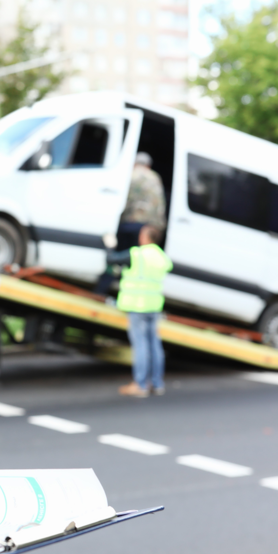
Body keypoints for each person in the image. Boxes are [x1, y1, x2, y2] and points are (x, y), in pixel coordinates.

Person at [108, 225, 172, 397]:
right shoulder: (161, 256)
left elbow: (112, 259)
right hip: (154, 305)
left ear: (145, 237)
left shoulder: (137, 254)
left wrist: (109, 244)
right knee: (154, 345)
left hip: (138, 305)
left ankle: (141, 385)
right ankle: (157, 384)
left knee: (141, 346)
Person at [115, 152, 167, 251]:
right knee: (137, 254)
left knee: (121, 252)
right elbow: (160, 205)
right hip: (145, 228)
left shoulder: (129, 174)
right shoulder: (155, 178)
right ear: (148, 165)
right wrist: (159, 227)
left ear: (134, 163)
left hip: (126, 222)